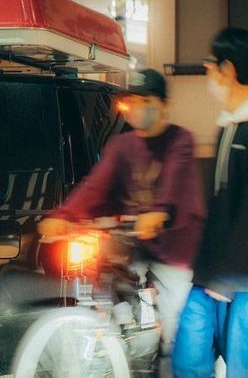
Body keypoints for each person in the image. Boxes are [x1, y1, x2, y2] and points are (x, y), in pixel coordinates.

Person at [38, 68, 206, 378]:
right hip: (137, 247)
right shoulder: (122, 146)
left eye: (147, 100)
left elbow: (172, 185)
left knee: (173, 328)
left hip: (175, 251)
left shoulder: (180, 141)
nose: (139, 107)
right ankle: (126, 344)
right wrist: (63, 217)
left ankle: (167, 362)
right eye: (134, 100)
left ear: (164, 104)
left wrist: (159, 214)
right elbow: (94, 186)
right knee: (111, 288)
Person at [174, 27, 248, 378]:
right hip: (213, 275)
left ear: (229, 70)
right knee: (189, 358)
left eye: (210, 66)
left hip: (239, 279)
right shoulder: (228, 126)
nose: (208, 74)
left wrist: (227, 276)